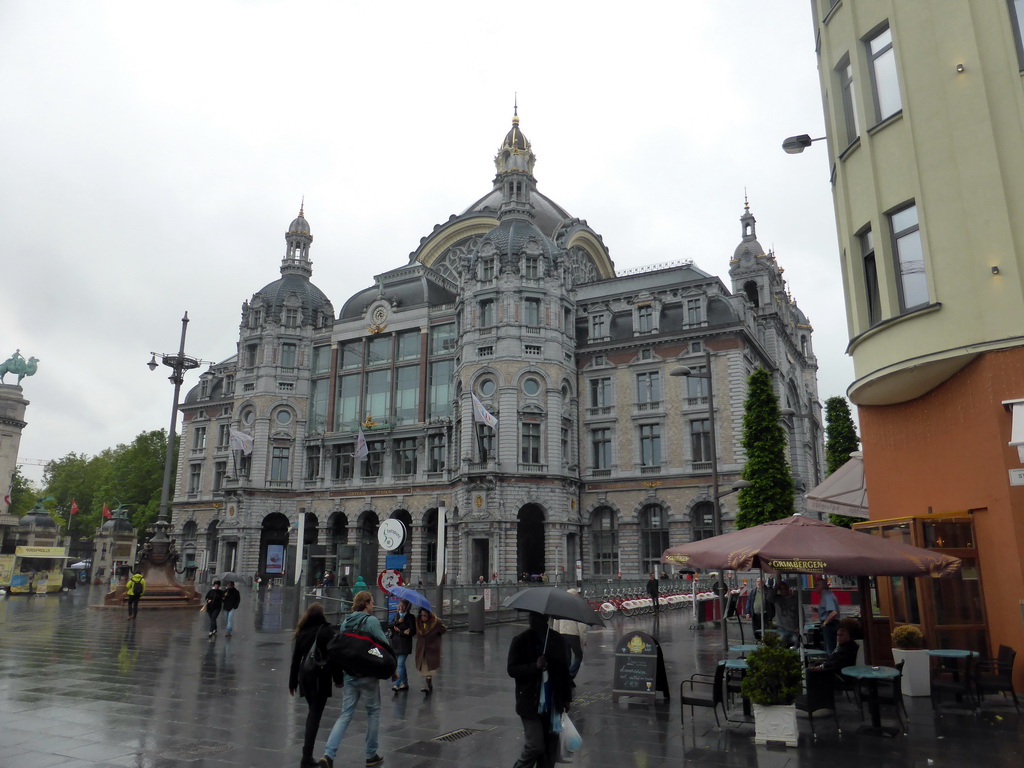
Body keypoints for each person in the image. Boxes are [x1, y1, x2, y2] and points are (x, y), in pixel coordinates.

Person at [319, 591, 388, 768]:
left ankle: (329, 753)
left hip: (349, 674)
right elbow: (384, 644)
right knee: (373, 713)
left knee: (345, 714)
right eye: (372, 602)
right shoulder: (371, 621)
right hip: (368, 674)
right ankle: (371, 754)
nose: (373, 605)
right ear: (366, 604)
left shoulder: (346, 622)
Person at [507, 612, 572, 768]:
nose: (531, 620)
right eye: (530, 616)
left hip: (552, 702)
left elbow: (564, 672)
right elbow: (512, 669)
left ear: (545, 619)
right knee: (534, 745)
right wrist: (534, 667)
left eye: (535, 617)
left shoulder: (558, 640)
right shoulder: (521, 640)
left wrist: (566, 698)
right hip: (530, 701)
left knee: (549, 752)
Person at [290, 602, 341, 767]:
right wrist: (338, 679)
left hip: (305, 677)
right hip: (320, 678)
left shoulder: (302, 631)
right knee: (314, 716)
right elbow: (334, 656)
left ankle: (307, 755)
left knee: (313, 712)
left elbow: (296, 659)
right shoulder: (326, 631)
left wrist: (292, 682)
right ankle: (306, 756)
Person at [552, 590, 588, 679]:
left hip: (561, 634)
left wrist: (555, 636)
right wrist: (583, 639)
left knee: (566, 656)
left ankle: (565, 677)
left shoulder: (560, 607)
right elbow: (581, 626)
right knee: (579, 655)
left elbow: (556, 622)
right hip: (573, 634)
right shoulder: (577, 608)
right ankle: (570, 674)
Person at [415, 607, 447, 694]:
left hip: (431, 647)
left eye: (425, 615)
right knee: (424, 665)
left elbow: (443, 629)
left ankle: (427, 684)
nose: (423, 617)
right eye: (421, 615)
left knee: (429, 666)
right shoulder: (418, 622)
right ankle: (428, 683)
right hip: (422, 648)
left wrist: (436, 638)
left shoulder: (436, 622)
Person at [767, 578, 801, 648]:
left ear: (788, 589)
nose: (784, 591)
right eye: (781, 589)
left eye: (785, 588)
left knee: (795, 647)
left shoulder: (795, 599)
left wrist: (800, 626)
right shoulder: (777, 599)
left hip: (794, 628)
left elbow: (800, 614)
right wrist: (775, 588)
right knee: (780, 647)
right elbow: (769, 598)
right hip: (781, 628)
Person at [390, 599, 415, 693]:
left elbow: (412, 631)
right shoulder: (397, 616)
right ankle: (405, 683)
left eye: (403, 606)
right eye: (400, 606)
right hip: (396, 644)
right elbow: (390, 625)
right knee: (400, 665)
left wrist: (400, 632)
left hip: (405, 645)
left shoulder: (410, 617)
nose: (400, 608)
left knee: (400, 664)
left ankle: (397, 684)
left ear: (407, 607)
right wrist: (398, 622)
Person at [816, 578, 841, 655]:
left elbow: (833, 612)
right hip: (831, 624)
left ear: (820, 587)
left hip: (830, 625)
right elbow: (828, 611)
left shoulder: (827, 596)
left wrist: (825, 623)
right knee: (829, 648)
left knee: (829, 649)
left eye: (816, 585)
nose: (815, 588)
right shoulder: (827, 595)